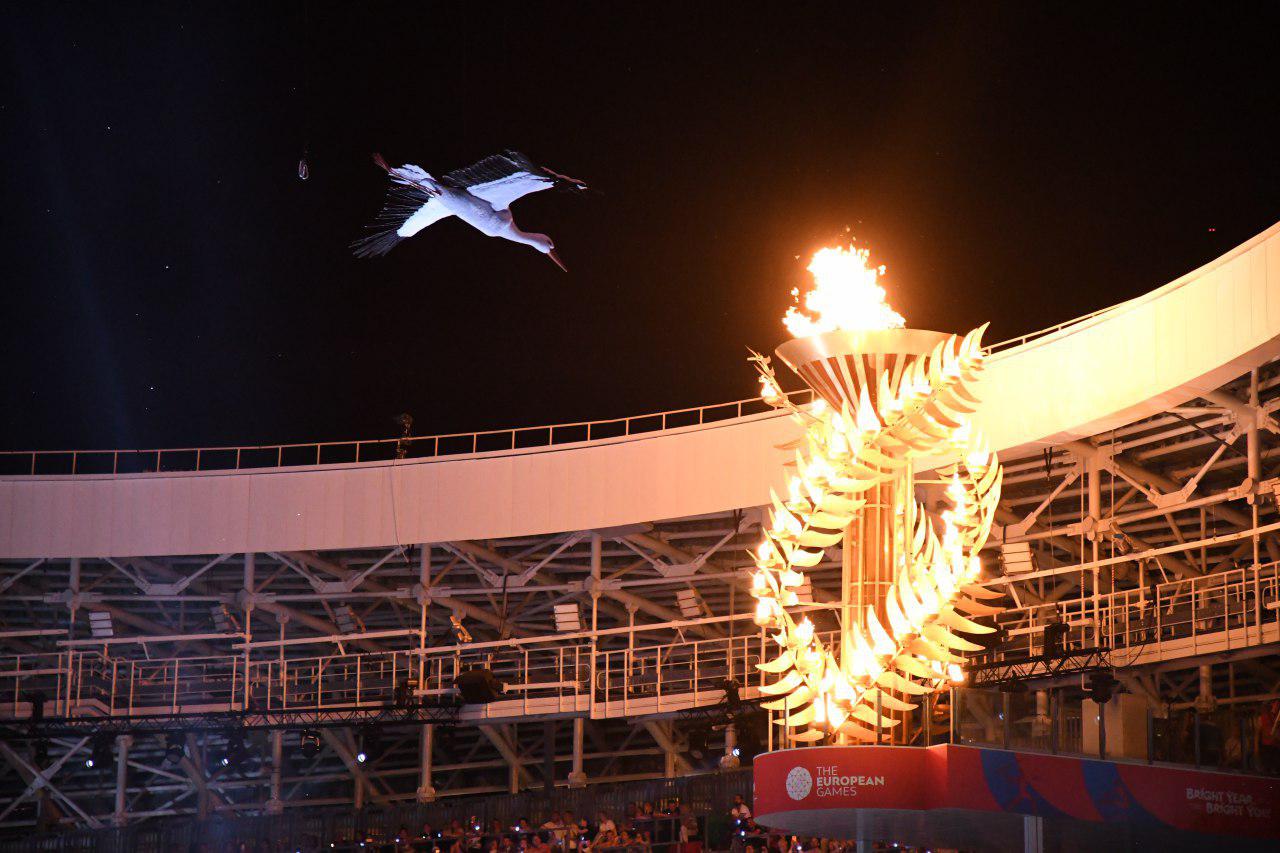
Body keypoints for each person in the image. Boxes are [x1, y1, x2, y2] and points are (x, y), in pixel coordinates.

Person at [1258, 698, 1280, 774]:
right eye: (1276, 703)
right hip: (1266, 746)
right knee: (1267, 768)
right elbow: (1258, 732)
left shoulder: (1277, 717)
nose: (1277, 705)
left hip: (1276, 746)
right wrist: (1256, 747)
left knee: (1275, 768)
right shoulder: (1264, 716)